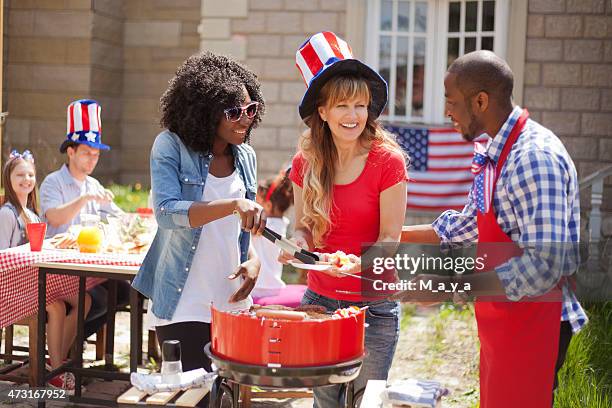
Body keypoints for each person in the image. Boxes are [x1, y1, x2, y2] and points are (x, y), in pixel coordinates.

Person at [397, 50, 587, 408]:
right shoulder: (495, 153)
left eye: (452, 102)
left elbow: (545, 265)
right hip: (505, 321)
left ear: (480, 101)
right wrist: (391, 235)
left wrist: (450, 286)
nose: (447, 113)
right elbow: (465, 226)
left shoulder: (533, 158)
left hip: (536, 324)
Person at [280, 32, 408, 407]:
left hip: (375, 304)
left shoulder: (388, 162)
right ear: (322, 111)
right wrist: (299, 244)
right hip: (319, 299)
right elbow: (304, 225)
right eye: (342, 106)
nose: (353, 116)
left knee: (364, 402)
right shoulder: (305, 162)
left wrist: (358, 262)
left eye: (360, 105)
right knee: (325, 403)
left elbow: (390, 239)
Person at [132, 52, 267, 381]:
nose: (244, 119)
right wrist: (234, 205)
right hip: (183, 299)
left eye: (250, 109)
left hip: (231, 299)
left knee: (228, 395)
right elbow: (166, 212)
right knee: (193, 395)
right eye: (233, 111)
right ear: (205, 113)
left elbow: (238, 231)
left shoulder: (246, 155)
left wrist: (254, 261)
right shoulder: (170, 146)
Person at [0, 150, 91, 392]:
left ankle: (54, 361)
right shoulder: (7, 214)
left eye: (30, 174)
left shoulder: (31, 214)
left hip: (31, 280)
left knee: (83, 298)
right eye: (20, 174)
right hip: (11, 287)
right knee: (56, 305)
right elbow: (2, 259)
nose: (26, 179)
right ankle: (55, 369)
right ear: (8, 178)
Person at [39, 99, 129, 340]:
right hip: (57, 267)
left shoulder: (94, 184)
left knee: (122, 292)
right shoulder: (53, 182)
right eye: (87, 153)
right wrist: (84, 197)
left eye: (96, 154)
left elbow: (118, 216)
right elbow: (55, 218)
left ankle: (71, 349)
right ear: (70, 152)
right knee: (97, 299)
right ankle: (65, 353)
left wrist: (132, 221)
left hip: (87, 268)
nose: (92, 159)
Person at [251, 170, 293, 298]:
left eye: (257, 202)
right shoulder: (281, 224)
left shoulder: (264, 225)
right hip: (274, 286)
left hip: (257, 286)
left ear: (268, 205)